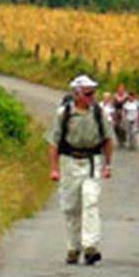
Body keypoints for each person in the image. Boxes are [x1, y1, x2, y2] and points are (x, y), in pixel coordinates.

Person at [48, 75, 116, 266]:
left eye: (93, 93)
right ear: (76, 94)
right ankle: (73, 246)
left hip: (91, 161)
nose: (92, 97)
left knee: (90, 202)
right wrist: (54, 169)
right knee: (71, 207)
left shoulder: (98, 113)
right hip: (69, 161)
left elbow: (108, 139)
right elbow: (53, 142)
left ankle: (90, 247)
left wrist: (107, 165)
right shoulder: (64, 114)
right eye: (88, 94)